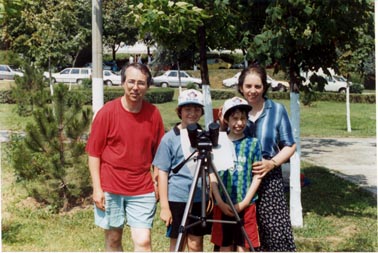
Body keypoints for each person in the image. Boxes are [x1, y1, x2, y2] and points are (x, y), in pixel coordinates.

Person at [85, 63, 165, 251]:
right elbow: (94, 154)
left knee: (143, 240)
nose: (135, 87)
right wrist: (97, 188)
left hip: (142, 188)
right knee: (113, 238)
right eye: (131, 82)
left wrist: (156, 180)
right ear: (122, 83)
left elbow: (160, 155)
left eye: (141, 83)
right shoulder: (107, 113)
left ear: (147, 86)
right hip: (111, 187)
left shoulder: (153, 114)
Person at [237, 64, 297, 251]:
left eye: (257, 86)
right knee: (242, 234)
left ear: (264, 87)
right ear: (241, 87)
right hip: (240, 180)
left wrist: (271, 163)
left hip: (269, 179)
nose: (252, 91)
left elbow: (290, 145)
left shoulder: (277, 110)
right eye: (248, 86)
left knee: (274, 232)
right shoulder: (235, 111)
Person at [152, 89, 212, 251]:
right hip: (177, 198)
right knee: (178, 242)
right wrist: (164, 206)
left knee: (195, 243)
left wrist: (211, 194)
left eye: (196, 109)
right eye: (187, 109)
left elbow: (212, 169)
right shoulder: (169, 138)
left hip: (200, 199)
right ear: (180, 111)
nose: (192, 113)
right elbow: (162, 173)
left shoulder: (205, 136)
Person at [210, 96, 262, 252]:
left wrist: (245, 202)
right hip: (223, 204)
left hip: (246, 206)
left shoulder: (253, 143)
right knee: (224, 246)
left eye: (243, 118)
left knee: (243, 246)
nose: (239, 123)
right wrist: (219, 201)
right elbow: (212, 173)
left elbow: (257, 175)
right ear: (226, 119)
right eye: (234, 118)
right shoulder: (218, 143)